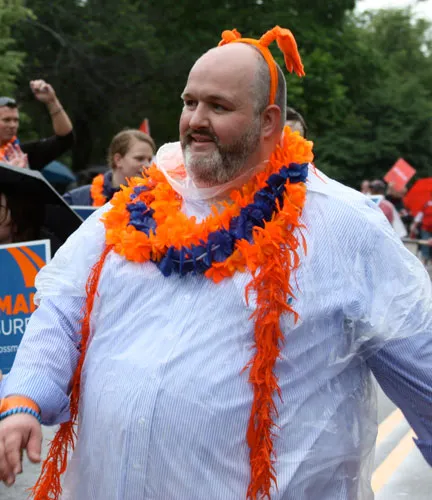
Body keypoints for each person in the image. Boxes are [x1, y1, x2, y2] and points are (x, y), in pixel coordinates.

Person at [0, 26, 431, 500]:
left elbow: (421, 365)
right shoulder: (131, 209)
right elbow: (62, 308)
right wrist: (25, 398)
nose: (195, 120)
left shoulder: (343, 225)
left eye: (218, 106)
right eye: (189, 102)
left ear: (268, 121)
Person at [63, 129, 156, 206]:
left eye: (149, 160)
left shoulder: (155, 200)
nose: (148, 165)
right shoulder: (75, 199)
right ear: (118, 160)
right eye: (139, 158)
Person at [0, 80, 73, 171]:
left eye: (16, 120)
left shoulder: (24, 155)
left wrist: (52, 101)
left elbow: (65, 140)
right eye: (6, 120)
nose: (13, 125)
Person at [410, 192, 432, 265]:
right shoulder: (426, 204)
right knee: (425, 245)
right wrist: (414, 225)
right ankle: (424, 262)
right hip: (426, 228)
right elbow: (420, 216)